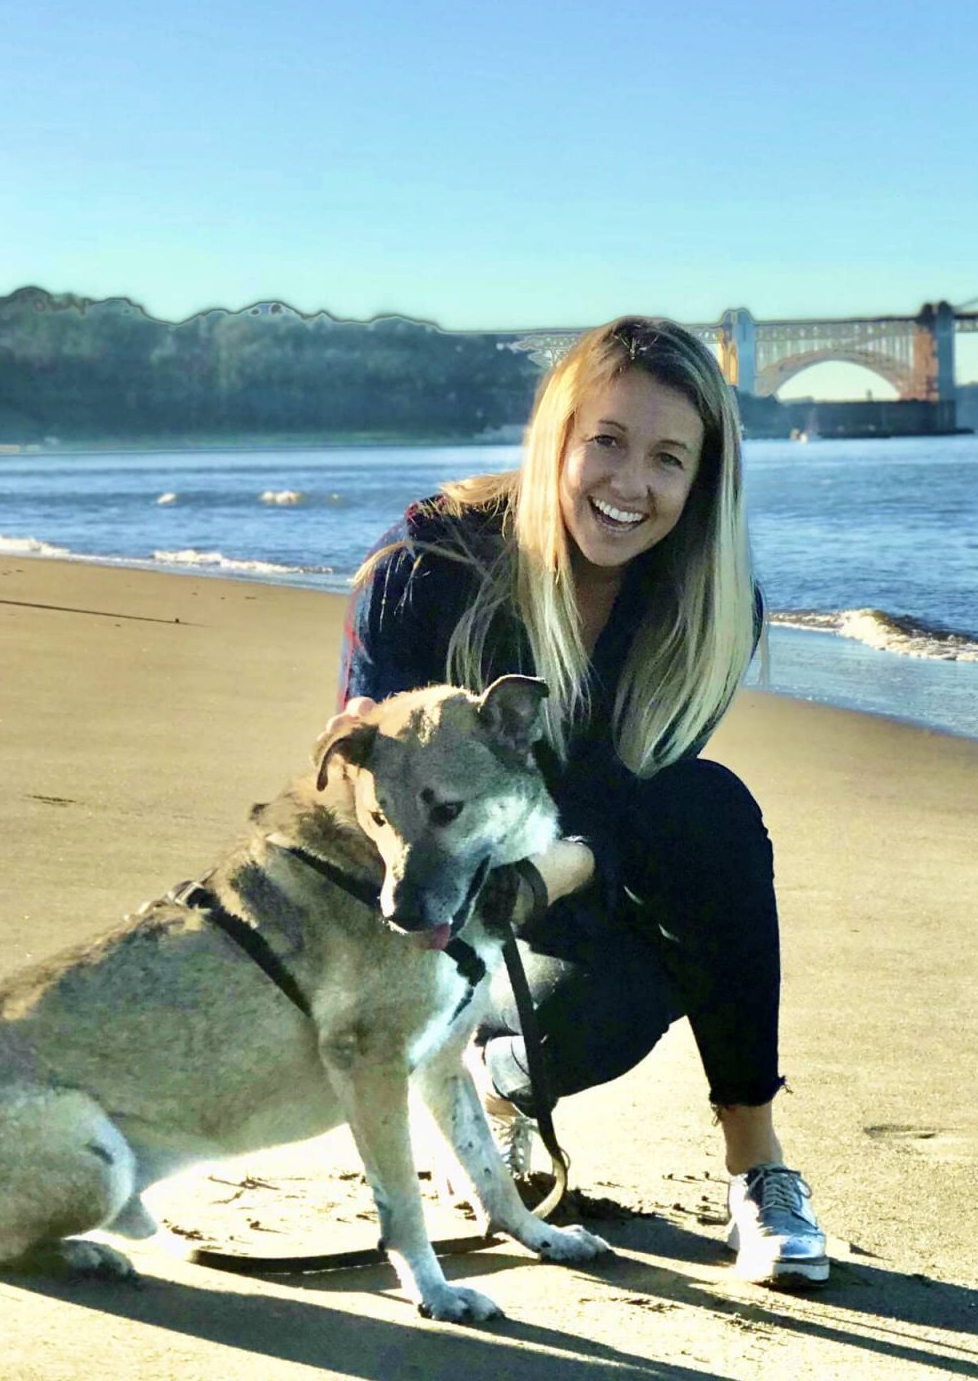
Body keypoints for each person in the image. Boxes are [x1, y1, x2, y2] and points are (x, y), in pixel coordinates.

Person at [332, 315, 823, 1285]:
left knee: (709, 813)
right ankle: (444, 1063)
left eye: (668, 458)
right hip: (418, 910)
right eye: (606, 442)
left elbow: (646, 813)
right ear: (557, 440)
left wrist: (552, 876)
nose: (630, 484)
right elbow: (364, 784)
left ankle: (755, 1167)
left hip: (564, 886)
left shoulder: (708, 610)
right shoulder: (429, 572)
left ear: (702, 481)